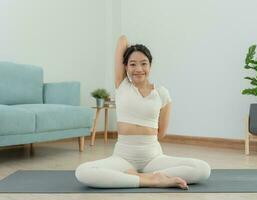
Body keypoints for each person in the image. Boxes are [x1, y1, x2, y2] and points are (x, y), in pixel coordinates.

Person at [75, 35, 211, 189]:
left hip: (153, 158)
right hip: (123, 158)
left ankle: (136, 177)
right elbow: (122, 40)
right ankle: (150, 180)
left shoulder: (162, 93)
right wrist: (133, 49)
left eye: (143, 64)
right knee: (83, 171)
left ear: (150, 66)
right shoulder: (122, 85)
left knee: (202, 169)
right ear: (125, 67)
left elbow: (161, 133)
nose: (138, 69)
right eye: (132, 64)